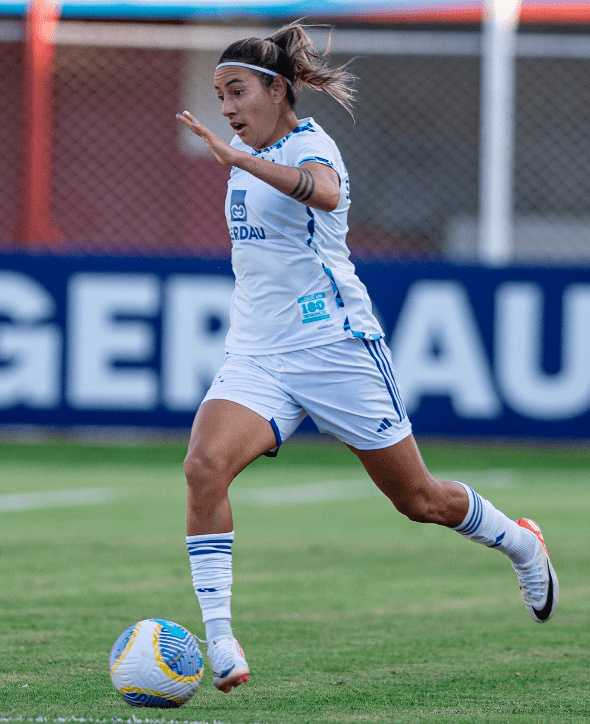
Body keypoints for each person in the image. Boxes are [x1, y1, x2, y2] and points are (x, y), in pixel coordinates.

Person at [175, 22, 558, 694]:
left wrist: (242, 162)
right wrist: (239, 156)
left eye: (236, 92)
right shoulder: (240, 146)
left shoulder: (312, 145)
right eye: (219, 95)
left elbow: (320, 191)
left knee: (419, 500)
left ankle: (522, 544)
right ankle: (219, 639)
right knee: (204, 467)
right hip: (259, 352)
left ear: (277, 89)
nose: (227, 108)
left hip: (336, 349)